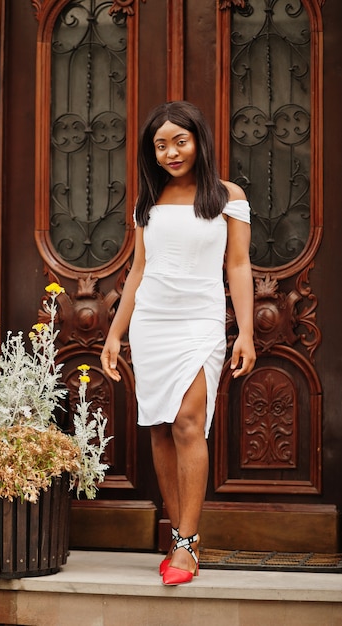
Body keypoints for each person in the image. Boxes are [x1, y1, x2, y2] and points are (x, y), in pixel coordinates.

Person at [100, 101, 256, 586]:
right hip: (152, 322)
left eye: (179, 141)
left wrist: (245, 332)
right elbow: (139, 270)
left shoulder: (228, 196)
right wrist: (114, 333)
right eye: (161, 144)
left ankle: (187, 544)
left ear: (198, 141)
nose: (171, 152)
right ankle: (178, 539)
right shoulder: (150, 199)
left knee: (189, 422)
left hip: (200, 323)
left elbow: (238, 266)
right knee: (160, 429)